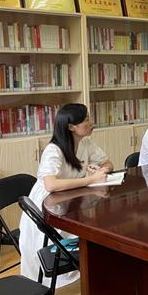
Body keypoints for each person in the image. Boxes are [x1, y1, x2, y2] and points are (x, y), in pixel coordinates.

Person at [19, 103, 113, 284]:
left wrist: (101, 170)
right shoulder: (54, 149)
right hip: (48, 204)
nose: (91, 123)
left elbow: (108, 163)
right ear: (71, 127)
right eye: (86, 120)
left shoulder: (85, 142)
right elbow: (51, 184)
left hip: (70, 199)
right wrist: (90, 180)